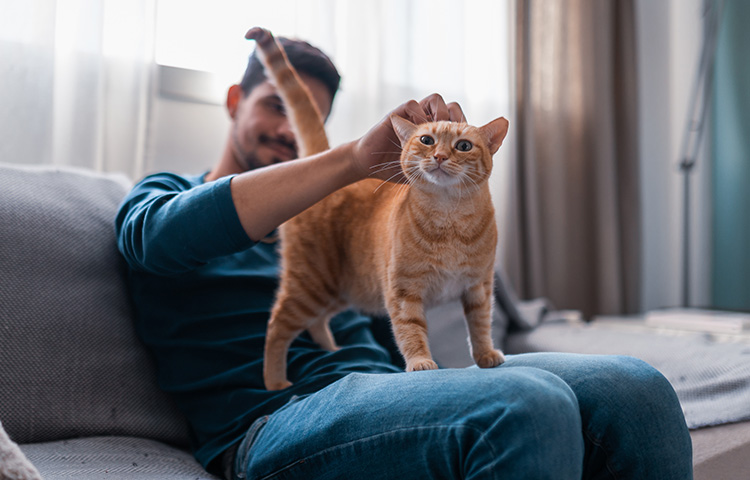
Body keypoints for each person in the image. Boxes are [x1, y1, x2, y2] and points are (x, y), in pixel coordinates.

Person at [115, 35, 693, 480]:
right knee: (524, 404)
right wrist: (346, 162)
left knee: (634, 388)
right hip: (269, 427)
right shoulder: (164, 194)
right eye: (276, 107)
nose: (291, 131)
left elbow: (400, 292)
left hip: (385, 392)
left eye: (309, 120)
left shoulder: (340, 213)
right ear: (236, 101)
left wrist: (441, 174)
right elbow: (158, 242)